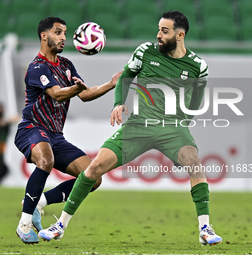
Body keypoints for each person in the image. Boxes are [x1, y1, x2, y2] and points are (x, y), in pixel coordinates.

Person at [38, 11, 222, 246]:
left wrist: (181, 122)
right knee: (95, 168)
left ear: (180, 35)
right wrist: (118, 103)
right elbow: (126, 76)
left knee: (194, 162)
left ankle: (205, 229)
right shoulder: (145, 51)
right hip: (138, 126)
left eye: (164, 31)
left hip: (171, 128)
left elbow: (196, 101)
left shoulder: (198, 66)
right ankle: (60, 225)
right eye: (158, 29)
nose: (158, 35)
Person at [14, 16, 121, 244]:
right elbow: (56, 93)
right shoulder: (36, 67)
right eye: (58, 32)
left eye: (64, 33)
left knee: (93, 177)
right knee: (46, 160)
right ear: (44, 35)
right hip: (32, 128)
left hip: (55, 135)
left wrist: (112, 84)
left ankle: (38, 203)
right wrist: (74, 88)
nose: (63, 37)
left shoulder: (66, 65)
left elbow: (84, 94)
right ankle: (24, 224)